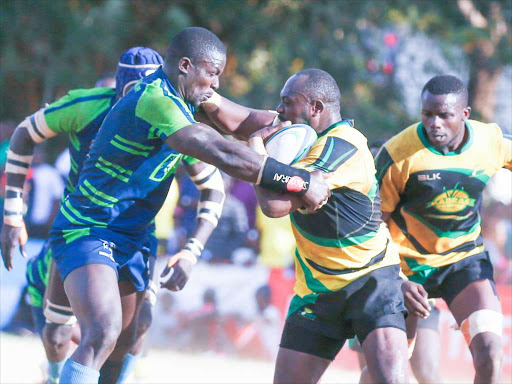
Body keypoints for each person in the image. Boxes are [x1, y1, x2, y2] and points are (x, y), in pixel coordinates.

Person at [3, 27, 329, 384]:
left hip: (135, 238)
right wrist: (296, 180)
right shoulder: (156, 99)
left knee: (127, 343)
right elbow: (217, 149)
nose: (217, 84)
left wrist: (300, 123)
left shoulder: (188, 94)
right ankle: (52, 374)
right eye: (213, 73)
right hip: (88, 229)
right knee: (102, 331)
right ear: (185, 66)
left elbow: (238, 120)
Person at [2, 46, 225, 384]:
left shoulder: (174, 117)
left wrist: (192, 251)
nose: (139, 102)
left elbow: (214, 187)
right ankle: (55, 376)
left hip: (135, 237)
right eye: (130, 94)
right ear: (118, 89)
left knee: (131, 330)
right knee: (66, 334)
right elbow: (25, 132)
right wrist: (12, 213)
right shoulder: (88, 105)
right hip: (81, 227)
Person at [201, 68, 409, 383]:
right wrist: (205, 91)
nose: (279, 110)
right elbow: (239, 120)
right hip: (317, 288)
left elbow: (274, 205)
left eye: (287, 102)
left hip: (371, 280)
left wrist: (257, 148)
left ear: (315, 108)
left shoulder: (343, 145)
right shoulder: (295, 130)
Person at [375, 74, 510, 383]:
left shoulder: (489, 142)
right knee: (398, 373)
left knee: (490, 353)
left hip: (464, 263)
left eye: (444, 115)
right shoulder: (399, 153)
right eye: (427, 114)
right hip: (405, 270)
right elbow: (373, 224)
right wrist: (392, 276)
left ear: (465, 115)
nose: (433, 123)